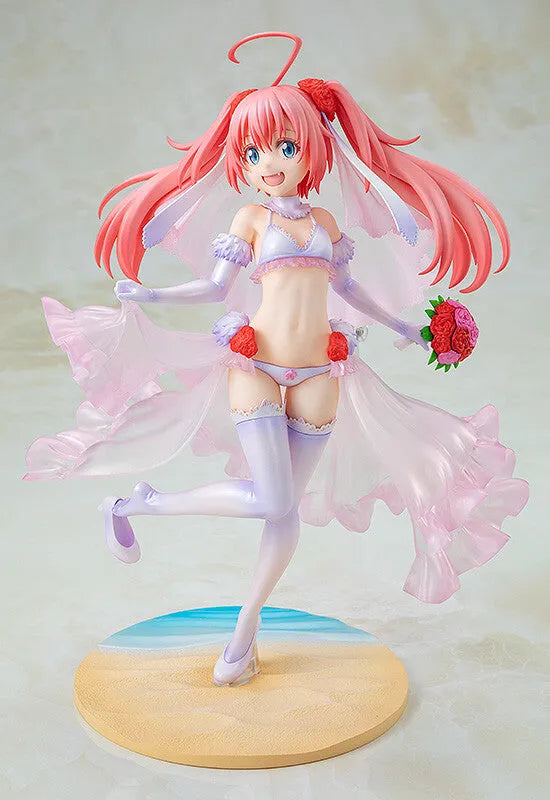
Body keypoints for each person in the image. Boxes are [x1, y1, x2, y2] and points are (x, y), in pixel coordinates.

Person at [24, 32, 529, 687]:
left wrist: (404, 324)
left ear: (312, 151)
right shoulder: (249, 221)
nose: (268, 163)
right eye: (254, 151)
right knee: (272, 498)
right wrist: (151, 294)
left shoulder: (324, 224)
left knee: (283, 512)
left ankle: (243, 637)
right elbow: (214, 287)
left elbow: (349, 288)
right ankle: (140, 504)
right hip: (255, 363)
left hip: (322, 370)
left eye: (285, 148)